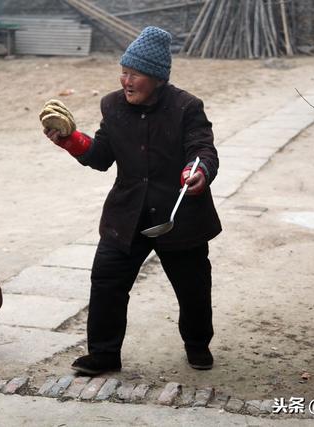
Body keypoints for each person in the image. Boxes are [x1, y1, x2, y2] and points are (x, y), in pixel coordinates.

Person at [43, 26, 222, 375]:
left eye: (134, 74)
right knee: (106, 282)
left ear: (155, 77)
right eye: (123, 72)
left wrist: (197, 171)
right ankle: (104, 354)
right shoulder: (112, 105)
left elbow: (203, 148)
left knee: (193, 288)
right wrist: (68, 140)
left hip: (177, 214)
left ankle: (197, 344)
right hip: (126, 215)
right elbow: (100, 155)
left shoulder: (186, 107)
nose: (126, 81)